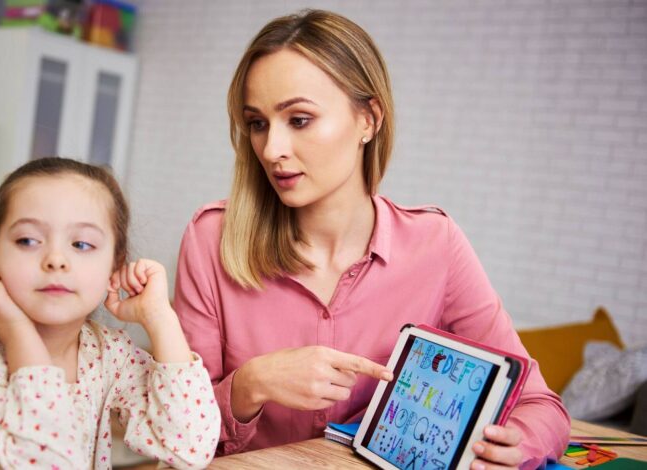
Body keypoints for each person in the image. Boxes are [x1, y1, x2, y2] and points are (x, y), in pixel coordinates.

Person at [173, 9, 569, 469]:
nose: (271, 149)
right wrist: (250, 385)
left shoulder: (434, 244)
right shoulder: (210, 240)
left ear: (368, 119)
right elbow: (174, 433)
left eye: (298, 120)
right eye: (258, 124)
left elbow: (543, 407)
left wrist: (511, 444)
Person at [0, 157, 219, 469]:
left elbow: (189, 447)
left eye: (81, 244)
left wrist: (160, 317)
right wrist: (18, 332)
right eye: (27, 240)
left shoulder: (108, 355)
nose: (55, 260)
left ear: (114, 268)